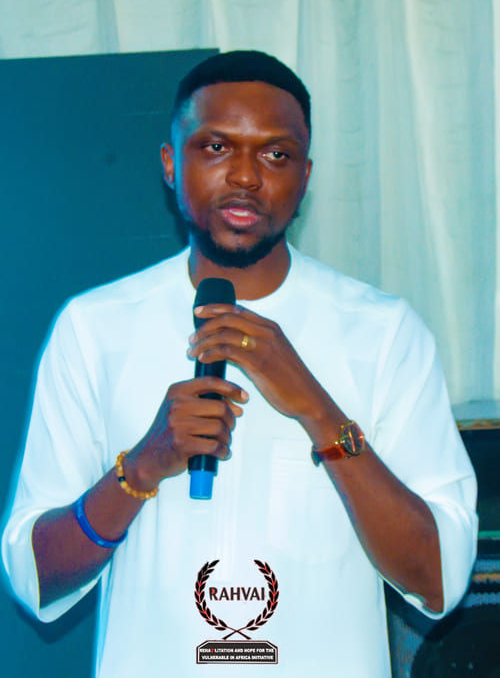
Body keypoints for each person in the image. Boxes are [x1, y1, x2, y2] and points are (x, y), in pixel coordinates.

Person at [2, 50, 477, 677]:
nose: (247, 176)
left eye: (276, 154)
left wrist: (318, 411)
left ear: (305, 176)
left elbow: (438, 581)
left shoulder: (384, 332)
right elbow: (36, 576)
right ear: (170, 164)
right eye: (216, 147)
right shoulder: (96, 328)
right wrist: (143, 465)